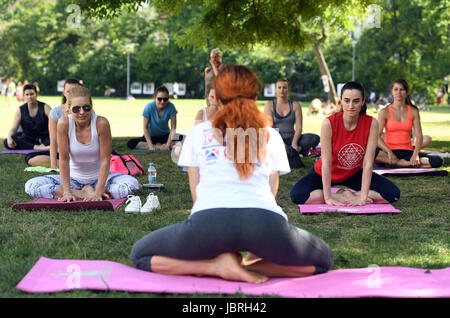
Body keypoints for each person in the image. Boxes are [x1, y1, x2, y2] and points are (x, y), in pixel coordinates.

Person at [130, 65, 334, 284]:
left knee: (140, 255)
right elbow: (271, 188)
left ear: (216, 97)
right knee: (323, 260)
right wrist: (260, 240)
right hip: (264, 223)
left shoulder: (198, 133)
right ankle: (251, 265)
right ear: (255, 96)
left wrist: (208, 235)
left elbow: (196, 192)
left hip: (208, 223)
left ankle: (217, 266)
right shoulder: (270, 135)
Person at [290, 81, 400, 206]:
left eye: (356, 101)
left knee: (393, 194)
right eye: (346, 101)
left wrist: (362, 197)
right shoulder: (329, 124)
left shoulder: (371, 124)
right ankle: (341, 195)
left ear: (363, 102)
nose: (351, 105)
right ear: (341, 101)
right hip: (326, 172)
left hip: (354, 172)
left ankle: (354, 194)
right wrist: (329, 197)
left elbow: (368, 162)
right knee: (297, 195)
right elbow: (326, 163)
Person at [25, 86, 139, 201]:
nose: (82, 112)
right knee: (31, 186)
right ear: (69, 108)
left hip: (100, 180)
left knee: (131, 185)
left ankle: (95, 191)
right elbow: (64, 159)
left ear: (91, 106)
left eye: (86, 107)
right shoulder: (64, 123)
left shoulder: (101, 123)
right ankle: (83, 193)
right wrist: (67, 191)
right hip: (73, 180)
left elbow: (105, 160)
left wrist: (99, 191)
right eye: (76, 109)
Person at [374, 79, 443, 169]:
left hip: (407, 152)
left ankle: (397, 163)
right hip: (388, 153)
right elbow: (376, 137)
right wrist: (389, 152)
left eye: (402, 89)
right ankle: (403, 164)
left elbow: (419, 136)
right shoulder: (384, 112)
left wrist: (416, 155)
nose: (399, 92)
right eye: (396, 89)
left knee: (438, 160)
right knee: (368, 151)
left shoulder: (413, 111)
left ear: (407, 92)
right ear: (392, 91)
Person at [25, 79, 82, 168]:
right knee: (30, 158)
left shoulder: (86, 111)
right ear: (64, 93)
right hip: (61, 152)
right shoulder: (55, 112)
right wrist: (53, 164)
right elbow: (53, 140)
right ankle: (68, 165)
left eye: (75, 91)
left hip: (82, 152)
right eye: (68, 92)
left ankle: (72, 164)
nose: (72, 95)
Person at [264, 79, 320, 167]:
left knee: (314, 138)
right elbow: (269, 129)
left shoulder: (295, 105)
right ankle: (296, 151)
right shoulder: (269, 105)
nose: (282, 90)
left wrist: (294, 143)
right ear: (275, 90)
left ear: (288, 89)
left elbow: (299, 127)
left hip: (293, 138)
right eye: (279, 87)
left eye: (284, 88)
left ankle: (292, 150)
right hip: (276, 139)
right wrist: (282, 144)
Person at [127, 86, 180, 151]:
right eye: (159, 99)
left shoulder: (171, 107)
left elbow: (173, 127)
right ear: (155, 98)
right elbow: (145, 128)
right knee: (131, 143)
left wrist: (168, 144)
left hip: (165, 136)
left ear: (168, 99)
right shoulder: (149, 107)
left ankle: (165, 145)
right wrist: (150, 146)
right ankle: (158, 146)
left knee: (185, 139)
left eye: (165, 99)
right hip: (150, 137)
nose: (162, 101)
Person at [3, 83, 51, 150]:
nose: (29, 97)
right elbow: (14, 128)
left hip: (45, 138)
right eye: (27, 94)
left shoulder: (45, 107)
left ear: (36, 94)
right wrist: (9, 137)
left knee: (56, 135)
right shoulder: (20, 110)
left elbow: (55, 125)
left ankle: (42, 146)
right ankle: (39, 148)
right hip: (28, 139)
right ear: (24, 96)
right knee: (7, 141)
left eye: (32, 94)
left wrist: (46, 142)